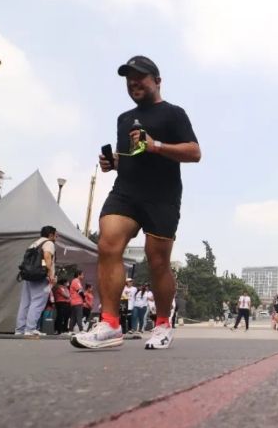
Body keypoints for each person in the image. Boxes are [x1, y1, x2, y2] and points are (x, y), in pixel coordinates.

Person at [72, 55, 201, 350]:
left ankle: (163, 324)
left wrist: (156, 145)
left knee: (157, 262)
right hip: (126, 192)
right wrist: (113, 162)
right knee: (108, 243)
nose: (133, 83)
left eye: (140, 77)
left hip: (163, 196)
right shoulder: (124, 119)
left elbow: (194, 152)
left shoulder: (174, 114)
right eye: (128, 79)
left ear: (157, 81)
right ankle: (110, 324)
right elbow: (130, 157)